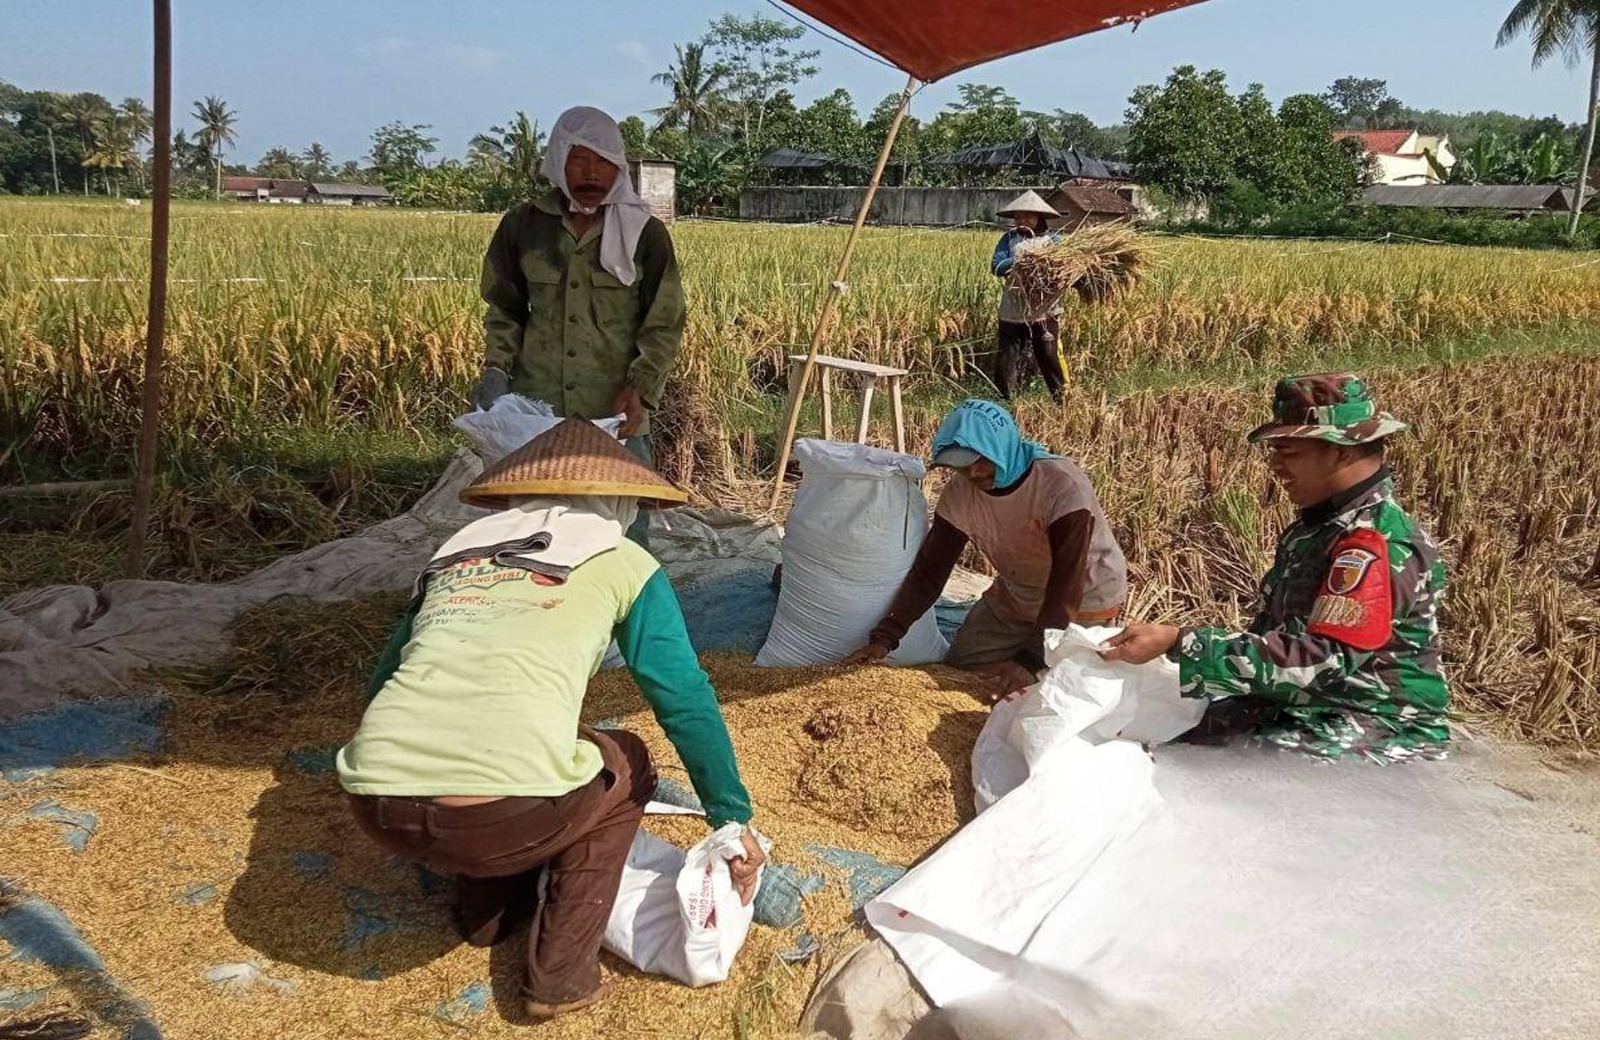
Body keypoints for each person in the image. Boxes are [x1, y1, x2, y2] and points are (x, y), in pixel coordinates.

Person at [336, 419, 764, 1020]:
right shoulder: (624, 562)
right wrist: (729, 817)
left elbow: (384, 681)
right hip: (500, 818)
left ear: (517, 496)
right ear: (618, 501)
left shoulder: (454, 552)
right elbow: (682, 696)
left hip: (376, 803)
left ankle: (488, 915)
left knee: (524, 752)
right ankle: (560, 977)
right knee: (629, 761)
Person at [1101, 373, 1450, 761]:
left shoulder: (1374, 542)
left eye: (1289, 452)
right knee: (1150, 738)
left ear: (1342, 450)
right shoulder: (1321, 528)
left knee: (1208, 768)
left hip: (1372, 720)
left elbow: (1323, 660)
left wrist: (1181, 643)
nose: (1275, 466)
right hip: (1304, 704)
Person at [473, 105, 685, 548]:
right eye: (580, 160)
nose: (592, 173)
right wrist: (496, 368)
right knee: (535, 521)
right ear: (558, 160)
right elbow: (505, 307)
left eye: (604, 162)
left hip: (616, 409)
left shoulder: (644, 233)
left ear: (619, 168)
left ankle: (625, 608)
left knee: (626, 525)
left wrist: (642, 389)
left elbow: (663, 322)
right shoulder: (523, 226)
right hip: (540, 407)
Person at [847, 398, 1127, 701]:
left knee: (1050, 693)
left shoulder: (1061, 486)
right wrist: (888, 635)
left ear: (1001, 447)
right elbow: (931, 569)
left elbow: (1067, 581)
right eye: (962, 467)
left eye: (981, 461)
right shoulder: (962, 492)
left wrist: (1031, 659)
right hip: (1019, 592)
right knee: (961, 673)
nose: (975, 474)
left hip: (1084, 597)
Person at [990, 191, 1067, 402]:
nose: (1022, 220)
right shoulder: (1008, 239)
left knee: (1048, 355)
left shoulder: (1054, 241)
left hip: (1045, 309)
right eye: (1018, 216)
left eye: (1028, 216)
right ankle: (1004, 399)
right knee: (1008, 356)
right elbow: (997, 266)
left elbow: (1065, 270)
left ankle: (1061, 398)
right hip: (1013, 309)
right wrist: (1023, 262)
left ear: (1039, 218)